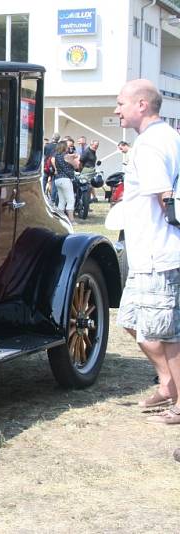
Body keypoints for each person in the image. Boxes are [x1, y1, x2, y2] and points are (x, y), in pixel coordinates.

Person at [113, 79, 180, 425]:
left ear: (142, 105)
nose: (116, 109)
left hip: (159, 254)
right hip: (147, 256)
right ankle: (168, 385)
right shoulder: (165, 137)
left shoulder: (152, 145)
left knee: (167, 335)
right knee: (132, 322)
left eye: (121, 103)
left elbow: (164, 198)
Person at [51, 140, 81, 222]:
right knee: (70, 200)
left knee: (61, 201)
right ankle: (71, 220)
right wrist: (77, 158)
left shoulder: (56, 156)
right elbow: (76, 166)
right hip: (66, 180)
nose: (68, 148)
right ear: (64, 147)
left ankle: (60, 219)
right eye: (67, 146)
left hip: (57, 179)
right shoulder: (66, 156)